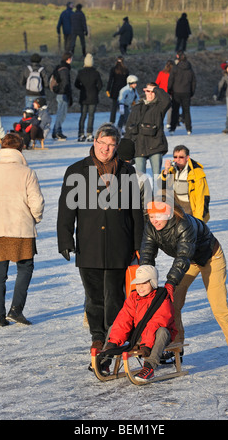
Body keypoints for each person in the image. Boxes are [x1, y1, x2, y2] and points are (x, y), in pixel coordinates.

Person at [57, 123, 144, 352]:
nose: (105, 149)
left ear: (116, 147)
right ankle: (98, 335)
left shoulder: (127, 172)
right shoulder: (76, 171)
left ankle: (114, 336)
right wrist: (65, 240)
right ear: (94, 142)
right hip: (89, 244)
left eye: (111, 145)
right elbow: (66, 210)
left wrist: (138, 244)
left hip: (119, 244)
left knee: (115, 295)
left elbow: (136, 211)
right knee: (94, 296)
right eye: (102, 143)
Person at [139, 198, 228, 371]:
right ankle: (177, 344)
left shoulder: (184, 225)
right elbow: (146, 254)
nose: (154, 220)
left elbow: (183, 256)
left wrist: (170, 283)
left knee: (218, 306)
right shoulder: (151, 228)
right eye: (151, 216)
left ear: (168, 214)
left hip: (211, 257)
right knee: (172, 302)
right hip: (189, 260)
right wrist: (144, 279)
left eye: (158, 216)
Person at [0, 133, 44, 327]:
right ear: (19, 150)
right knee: (25, 268)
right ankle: (16, 310)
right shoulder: (27, 173)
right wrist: (34, 219)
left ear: (2, 149)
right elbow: (37, 203)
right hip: (22, 229)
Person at [100, 265, 177, 381]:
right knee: (114, 327)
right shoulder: (134, 297)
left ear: (153, 282)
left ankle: (149, 367)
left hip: (155, 336)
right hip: (140, 334)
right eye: (138, 284)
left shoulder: (163, 298)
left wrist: (146, 345)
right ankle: (105, 360)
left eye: (144, 284)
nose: (140, 287)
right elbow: (123, 319)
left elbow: (155, 324)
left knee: (162, 332)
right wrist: (113, 343)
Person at [124, 83, 171, 177]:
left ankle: (157, 192)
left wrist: (156, 89)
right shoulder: (137, 107)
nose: (150, 94)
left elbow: (167, 100)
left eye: (153, 92)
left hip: (155, 145)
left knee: (157, 175)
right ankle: (143, 192)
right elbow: (128, 129)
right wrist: (126, 152)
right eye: (148, 91)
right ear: (144, 91)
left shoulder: (159, 107)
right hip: (139, 146)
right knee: (140, 177)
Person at [161, 145, 210, 223]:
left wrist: (198, 220)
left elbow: (201, 197)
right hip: (178, 201)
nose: (177, 160)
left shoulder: (196, 173)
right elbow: (161, 185)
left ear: (187, 158)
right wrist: (166, 170)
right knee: (161, 192)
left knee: (186, 226)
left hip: (190, 204)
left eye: (181, 157)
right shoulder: (173, 169)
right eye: (175, 157)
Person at [74, 53, 103, 142]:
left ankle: (81, 134)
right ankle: (89, 134)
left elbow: (76, 84)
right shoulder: (96, 73)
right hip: (93, 97)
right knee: (91, 116)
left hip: (83, 96)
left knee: (83, 115)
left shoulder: (81, 72)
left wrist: (82, 88)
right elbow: (100, 85)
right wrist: (95, 90)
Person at [167, 51, 196, 135]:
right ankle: (189, 129)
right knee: (186, 111)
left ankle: (172, 128)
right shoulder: (190, 69)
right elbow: (193, 82)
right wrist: (191, 92)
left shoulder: (175, 69)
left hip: (176, 92)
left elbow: (171, 80)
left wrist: (169, 90)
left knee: (175, 111)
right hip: (186, 92)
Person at [51, 52, 73, 140]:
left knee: (60, 114)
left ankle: (57, 131)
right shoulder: (64, 69)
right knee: (61, 115)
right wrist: (68, 95)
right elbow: (65, 83)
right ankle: (56, 131)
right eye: (71, 58)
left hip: (60, 94)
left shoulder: (60, 67)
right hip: (63, 94)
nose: (71, 60)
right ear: (68, 59)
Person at [106, 56, 129, 123]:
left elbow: (110, 80)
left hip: (115, 90)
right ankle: (124, 122)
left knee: (114, 107)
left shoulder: (113, 69)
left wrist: (108, 89)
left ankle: (112, 122)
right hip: (124, 90)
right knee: (123, 107)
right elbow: (127, 81)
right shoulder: (126, 70)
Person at [155, 59, 174, 131]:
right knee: (169, 109)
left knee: (160, 108)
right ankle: (168, 123)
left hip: (161, 93)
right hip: (169, 93)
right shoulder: (172, 74)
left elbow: (157, 82)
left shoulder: (161, 73)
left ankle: (159, 121)